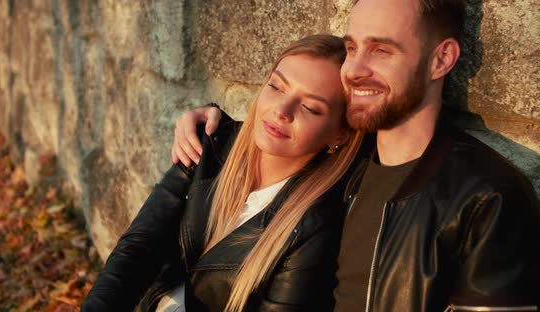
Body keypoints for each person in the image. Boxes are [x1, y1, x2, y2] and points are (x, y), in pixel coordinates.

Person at [171, 0, 540, 311]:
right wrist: (213, 122)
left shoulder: (487, 198)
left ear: (442, 59)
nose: (353, 70)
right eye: (352, 47)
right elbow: (283, 132)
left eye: (381, 50)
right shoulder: (342, 166)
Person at [81, 35, 366, 312]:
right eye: (277, 87)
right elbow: (137, 250)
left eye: (310, 107)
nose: (281, 110)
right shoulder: (210, 144)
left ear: (340, 135)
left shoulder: (316, 223)